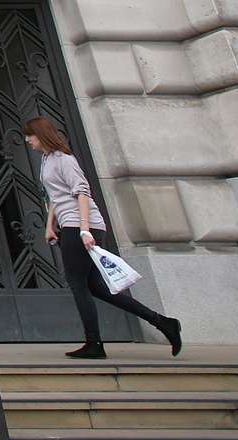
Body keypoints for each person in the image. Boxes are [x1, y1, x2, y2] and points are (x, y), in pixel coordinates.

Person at [25, 115, 182, 359]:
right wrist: (50, 225)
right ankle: (163, 322)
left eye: (30, 135)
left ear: (41, 134)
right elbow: (56, 195)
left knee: (78, 285)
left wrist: (84, 230)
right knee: (98, 288)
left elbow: (82, 192)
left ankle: (94, 343)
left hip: (82, 227)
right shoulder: (46, 160)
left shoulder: (64, 160)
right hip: (71, 226)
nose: (28, 140)